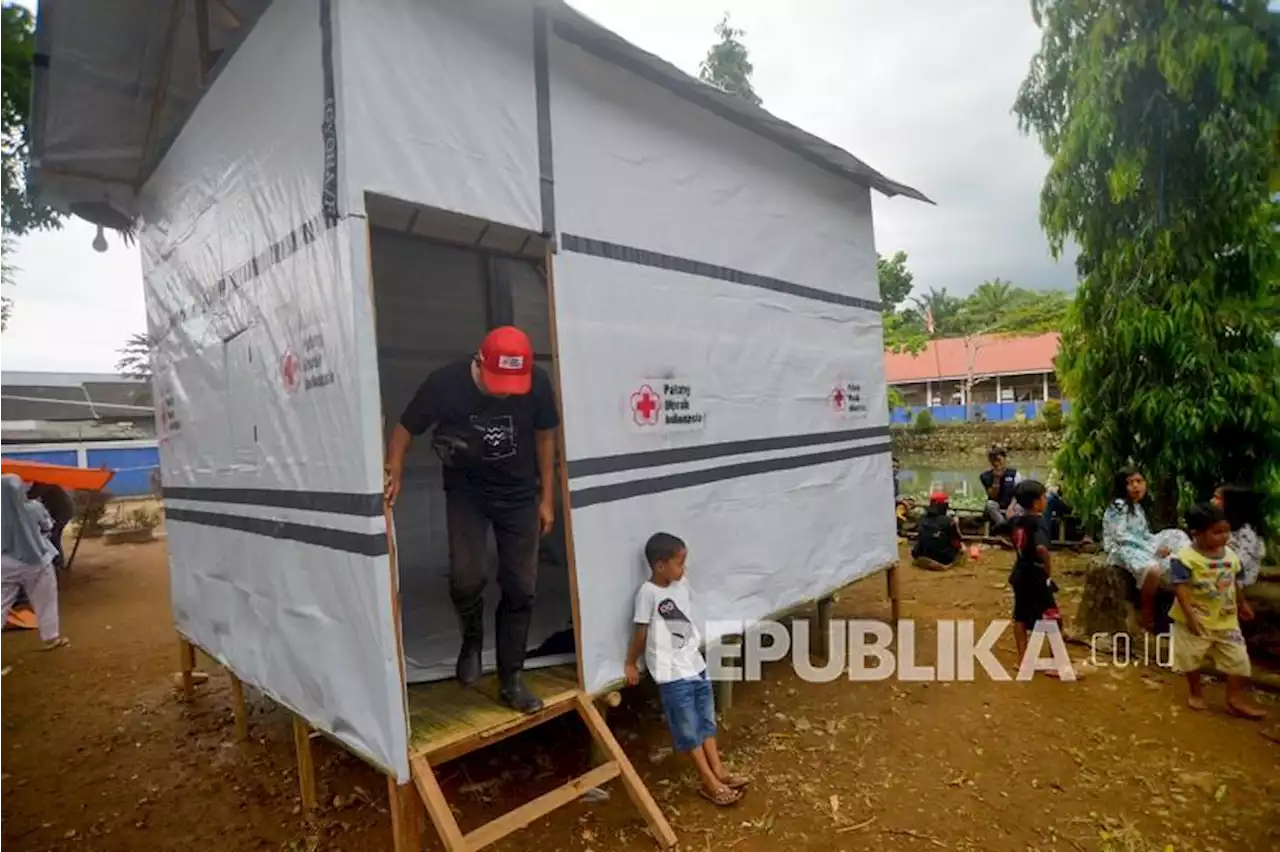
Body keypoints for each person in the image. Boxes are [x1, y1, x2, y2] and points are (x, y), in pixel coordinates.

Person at [383, 326, 559, 714]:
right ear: (478, 363)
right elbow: (405, 428)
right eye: (499, 383)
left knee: (521, 586)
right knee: (467, 576)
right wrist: (394, 464)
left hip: (518, 496)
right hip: (468, 495)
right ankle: (473, 638)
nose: (507, 392)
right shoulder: (445, 383)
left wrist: (547, 497)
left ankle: (511, 678)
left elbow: (546, 435)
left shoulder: (537, 383)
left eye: (514, 385)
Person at [625, 533, 748, 807]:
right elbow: (641, 633)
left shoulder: (681, 585)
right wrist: (630, 662)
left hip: (695, 665)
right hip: (671, 674)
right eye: (679, 563)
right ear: (659, 566)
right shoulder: (648, 594)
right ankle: (708, 781)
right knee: (687, 728)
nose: (684, 569)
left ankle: (719, 770)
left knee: (705, 719)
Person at [1168, 503, 1265, 719]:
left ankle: (1234, 698)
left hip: (1226, 619)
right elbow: (1181, 589)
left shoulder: (1230, 555)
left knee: (1239, 659)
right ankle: (1195, 690)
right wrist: (1190, 615)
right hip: (1194, 619)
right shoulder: (1183, 558)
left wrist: (1243, 603)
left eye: (1226, 531)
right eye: (1217, 532)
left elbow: (1235, 581)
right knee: (1191, 658)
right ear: (1197, 533)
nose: (1224, 537)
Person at [1102, 467, 1190, 631]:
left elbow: (1145, 534)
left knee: (1176, 535)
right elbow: (1120, 535)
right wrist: (1152, 548)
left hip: (1142, 543)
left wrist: (1157, 544)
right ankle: (1146, 610)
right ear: (1122, 487)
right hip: (1122, 548)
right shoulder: (1118, 506)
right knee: (1152, 569)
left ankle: (1183, 568)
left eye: (1139, 481)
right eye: (1130, 483)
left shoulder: (1137, 507)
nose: (1136, 486)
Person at [0, 474, 69, 650]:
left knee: (2, 602)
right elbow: (48, 526)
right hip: (37, 561)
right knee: (46, 599)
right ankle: (51, 637)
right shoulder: (34, 508)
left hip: (5, 563)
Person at [1007, 479, 1065, 677]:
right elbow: (1041, 548)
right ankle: (1057, 663)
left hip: (1019, 572)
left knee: (1020, 615)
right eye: (1043, 497)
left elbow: (1003, 523)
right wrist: (1047, 568)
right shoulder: (1039, 523)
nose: (1046, 500)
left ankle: (1022, 660)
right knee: (1053, 617)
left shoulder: (1016, 520)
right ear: (1036, 502)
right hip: (1036, 574)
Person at [1213, 485, 1266, 587]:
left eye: (1217, 498)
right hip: (1221, 570)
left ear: (1231, 504)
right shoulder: (1224, 525)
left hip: (1240, 578)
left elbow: (1239, 564)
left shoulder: (1247, 532)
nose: (1212, 501)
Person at [27, 482, 73, 569]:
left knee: (53, 537)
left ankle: (57, 563)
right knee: (54, 537)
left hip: (61, 513)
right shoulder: (42, 482)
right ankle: (57, 562)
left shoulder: (44, 482)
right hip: (59, 512)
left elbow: (31, 495)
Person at [912, 492, 963, 570]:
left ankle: (924, 558)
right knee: (961, 549)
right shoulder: (949, 520)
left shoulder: (922, 518)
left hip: (921, 553)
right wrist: (956, 524)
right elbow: (957, 540)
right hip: (943, 556)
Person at [980, 447, 1021, 529]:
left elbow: (1018, 493)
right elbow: (993, 496)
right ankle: (1003, 524)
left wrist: (1011, 507)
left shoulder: (1014, 473)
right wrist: (996, 479)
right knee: (990, 505)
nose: (996, 463)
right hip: (997, 506)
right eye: (993, 460)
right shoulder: (985, 476)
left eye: (998, 460)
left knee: (1021, 507)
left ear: (1004, 459)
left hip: (1012, 504)